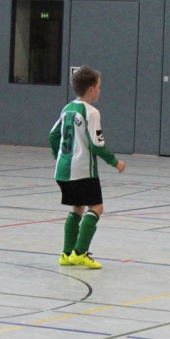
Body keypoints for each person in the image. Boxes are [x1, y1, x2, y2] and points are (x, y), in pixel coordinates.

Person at [49, 65, 125, 269]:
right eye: (99, 87)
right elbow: (97, 144)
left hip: (62, 170)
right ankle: (80, 252)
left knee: (77, 208)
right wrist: (115, 162)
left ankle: (66, 253)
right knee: (97, 207)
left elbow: (53, 136)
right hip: (82, 170)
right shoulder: (91, 112)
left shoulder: (67, 109)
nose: (100, 90)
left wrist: (59, 156)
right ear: (91, 89)